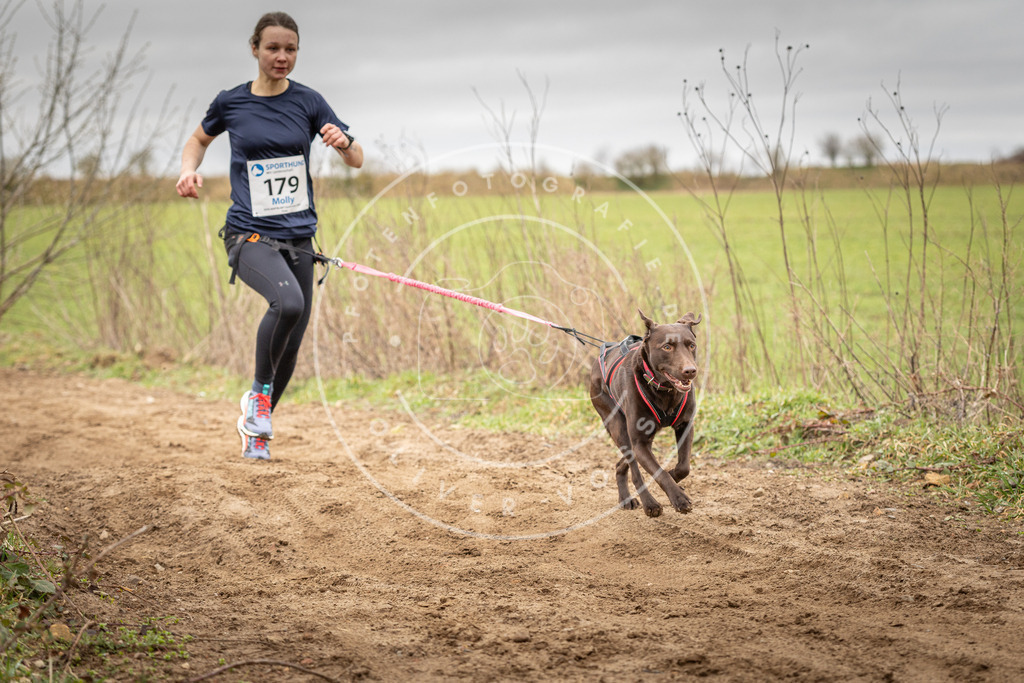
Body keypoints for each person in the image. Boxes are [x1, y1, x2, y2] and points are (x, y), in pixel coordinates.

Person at [176, 11, 363, 460]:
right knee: (289, 303)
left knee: (292, 341)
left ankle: (256, 430)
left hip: (299, 238)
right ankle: (257, 402)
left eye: (291, 49)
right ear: (255, 49)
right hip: (249, 235)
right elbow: (198, 141)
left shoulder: (309, 101)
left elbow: (356, 158)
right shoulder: (231, 103)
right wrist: (188, 171)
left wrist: (342, 142)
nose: (282, 57)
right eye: (273, 48)